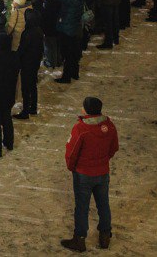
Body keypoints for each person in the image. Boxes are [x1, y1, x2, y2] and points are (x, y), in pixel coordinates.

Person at [61, 96, 119, 252]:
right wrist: (103, 161)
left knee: (82, 207)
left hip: (83, 175)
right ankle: (105, 236)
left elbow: (72, 152)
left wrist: (72, 167)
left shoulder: (80, 129)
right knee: (103, 204)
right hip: (102, 172)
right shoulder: (109, 125)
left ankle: (79, 239)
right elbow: (114, 147)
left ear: (86, 109)